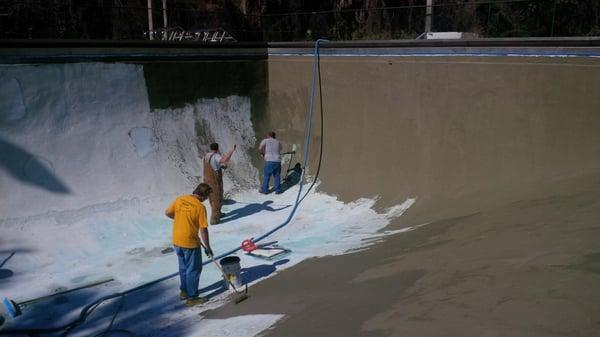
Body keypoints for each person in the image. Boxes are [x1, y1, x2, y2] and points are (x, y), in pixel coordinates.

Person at [165, 183, 214, 307]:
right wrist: (207, 247)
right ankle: (192, 298)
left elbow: (168, 213)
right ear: (204, 196)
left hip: (177, 240)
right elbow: (203, 229)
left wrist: (182, 220)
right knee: (193, 269)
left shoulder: (180, 199)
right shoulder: (200, 207)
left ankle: (184, 291)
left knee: (183, 267)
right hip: (190, 242)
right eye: (208, 196)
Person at [203, 143, 236, 225]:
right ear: (217, 149)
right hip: (215, 181)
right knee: (216, 199)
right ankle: (214, 219)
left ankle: (218, 213)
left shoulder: (207, 155)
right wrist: (231, 151)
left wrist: (221, 166)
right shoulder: (216, 156)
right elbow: (224, 160)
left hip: (206, 180)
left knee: (212, 198)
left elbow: (213, 165)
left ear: (210, 148)